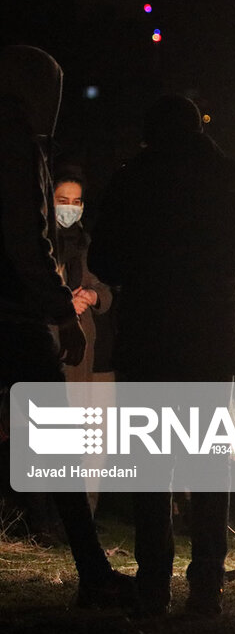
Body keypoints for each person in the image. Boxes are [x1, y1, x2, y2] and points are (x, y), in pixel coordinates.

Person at [89, 94, 235, 617]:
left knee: (150, 468)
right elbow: (231, 262)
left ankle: (154, 584)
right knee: (208, 468)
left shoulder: (133, 181)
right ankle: (206, 586)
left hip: (151, 336)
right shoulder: (226, 183)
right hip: (208, 338)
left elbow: (105, 258)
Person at [0, 45, 134, 608]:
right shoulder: (15, 142)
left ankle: (89, 564)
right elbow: (25, 238)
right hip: (12, 313)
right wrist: (60, 312)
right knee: (53, 437)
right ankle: (92, 571)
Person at [51, 168, 116, 510]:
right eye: (63, 201)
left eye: (76, 202)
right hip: (58, 349)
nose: (70, 209)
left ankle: (85, 516)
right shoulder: (39, 246)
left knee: (93, 440)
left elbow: (104, 289)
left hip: (92, 352)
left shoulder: (86, 245)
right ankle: (53, 518)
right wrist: (63, 305)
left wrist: (91, 296)